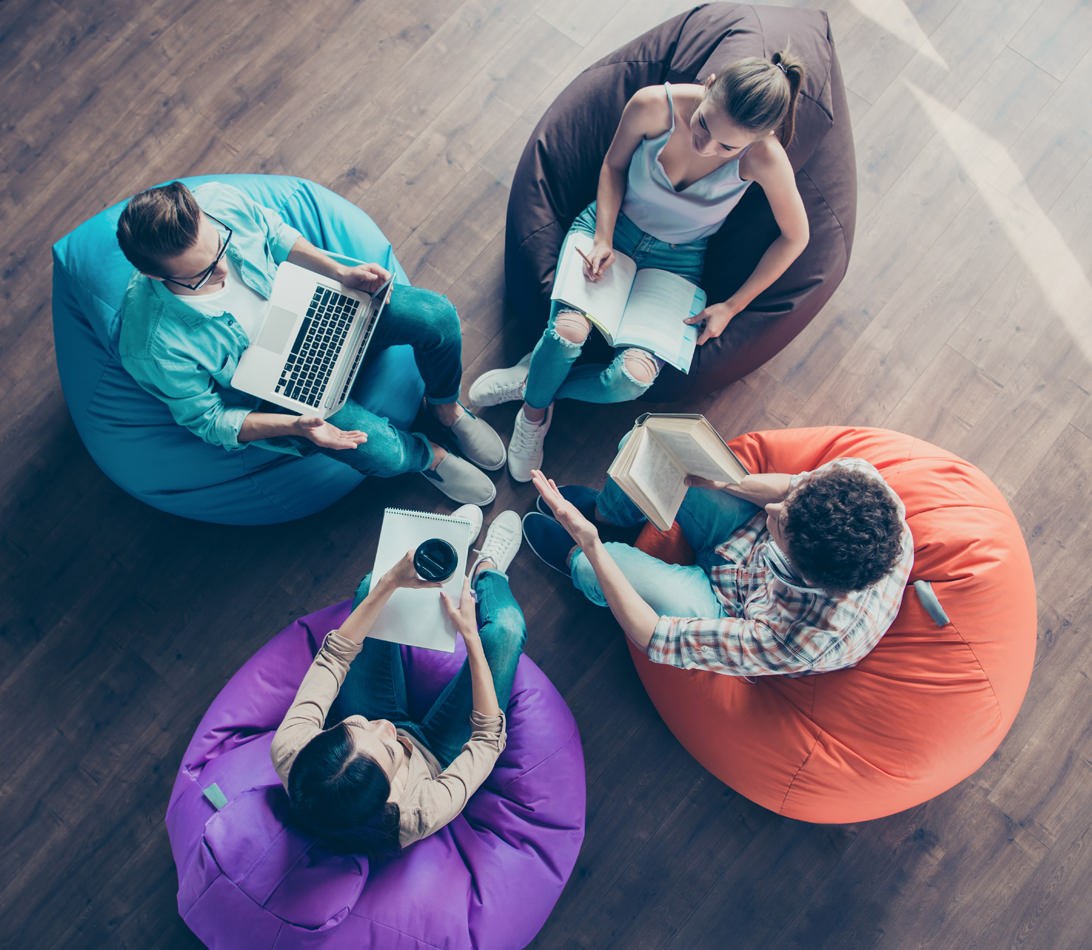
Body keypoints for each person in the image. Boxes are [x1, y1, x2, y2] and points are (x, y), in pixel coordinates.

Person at [470, 54, 811, 480]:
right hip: (612, 227)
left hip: (678, 260)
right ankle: (533, 415)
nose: (706, 146)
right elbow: (613, 166)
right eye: (703, 124)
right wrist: (603, 238)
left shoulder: (765, 158)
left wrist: (732, 306)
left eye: (727, 147)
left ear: (760, 139)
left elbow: (796, 237)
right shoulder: (652, 105)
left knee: (631, 379)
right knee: (566, 333)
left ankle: (535, 382)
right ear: (709, 84)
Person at [116, 180, 504, 505]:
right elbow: (211, 420)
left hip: (313, 304)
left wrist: (340, 272)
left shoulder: (218, 200)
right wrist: (296, 426)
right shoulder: (153, 347)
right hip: (277, 386)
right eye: (200, 275)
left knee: (436, 316)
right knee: (383, 455)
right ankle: (428, 456)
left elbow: (274, 234)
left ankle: (444, 408)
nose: (223, 269)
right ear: (155, 277)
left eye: (220, 246)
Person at [270, 506, 525, 856]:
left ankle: (443, 559)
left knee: (369, 587)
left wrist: (390, 582)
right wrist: (470, 636)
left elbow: (334, 657)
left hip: (371, 703)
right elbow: (487, 741)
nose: (384, 728)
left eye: (353, 727)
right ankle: (488, 571)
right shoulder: (414, 815)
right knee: (506, 631)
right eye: (390, 751)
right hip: (436, 752)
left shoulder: (291, 751)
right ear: (387, 797)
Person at [521, 455, 913, 678]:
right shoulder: (866, 490)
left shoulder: (799, 641)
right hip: (744, 538)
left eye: (782, 523)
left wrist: (590, 544)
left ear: (804, 574)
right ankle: (609, 514)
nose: (773, 508)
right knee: (650, 458)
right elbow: (792, 488)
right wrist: (724, 483)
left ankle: (577, 556)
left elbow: (652, 636)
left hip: (729, 608)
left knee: (595, 567)